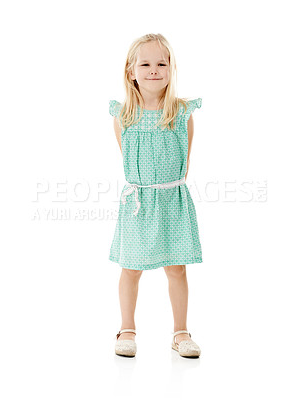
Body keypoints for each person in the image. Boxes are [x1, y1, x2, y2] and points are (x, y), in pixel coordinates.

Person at [109, 33, 203, 358]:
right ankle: (127, 328)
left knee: (177, 268)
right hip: (139, 205)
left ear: (171, 69)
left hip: (172, 202)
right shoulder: (123, 117)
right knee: (130, 268)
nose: (154, 69)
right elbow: (128, 161)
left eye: (162, 63)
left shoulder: (180, 113)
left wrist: (168, 194)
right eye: (145, 63)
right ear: (131, 71)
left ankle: (181, 332)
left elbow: (184, 161)